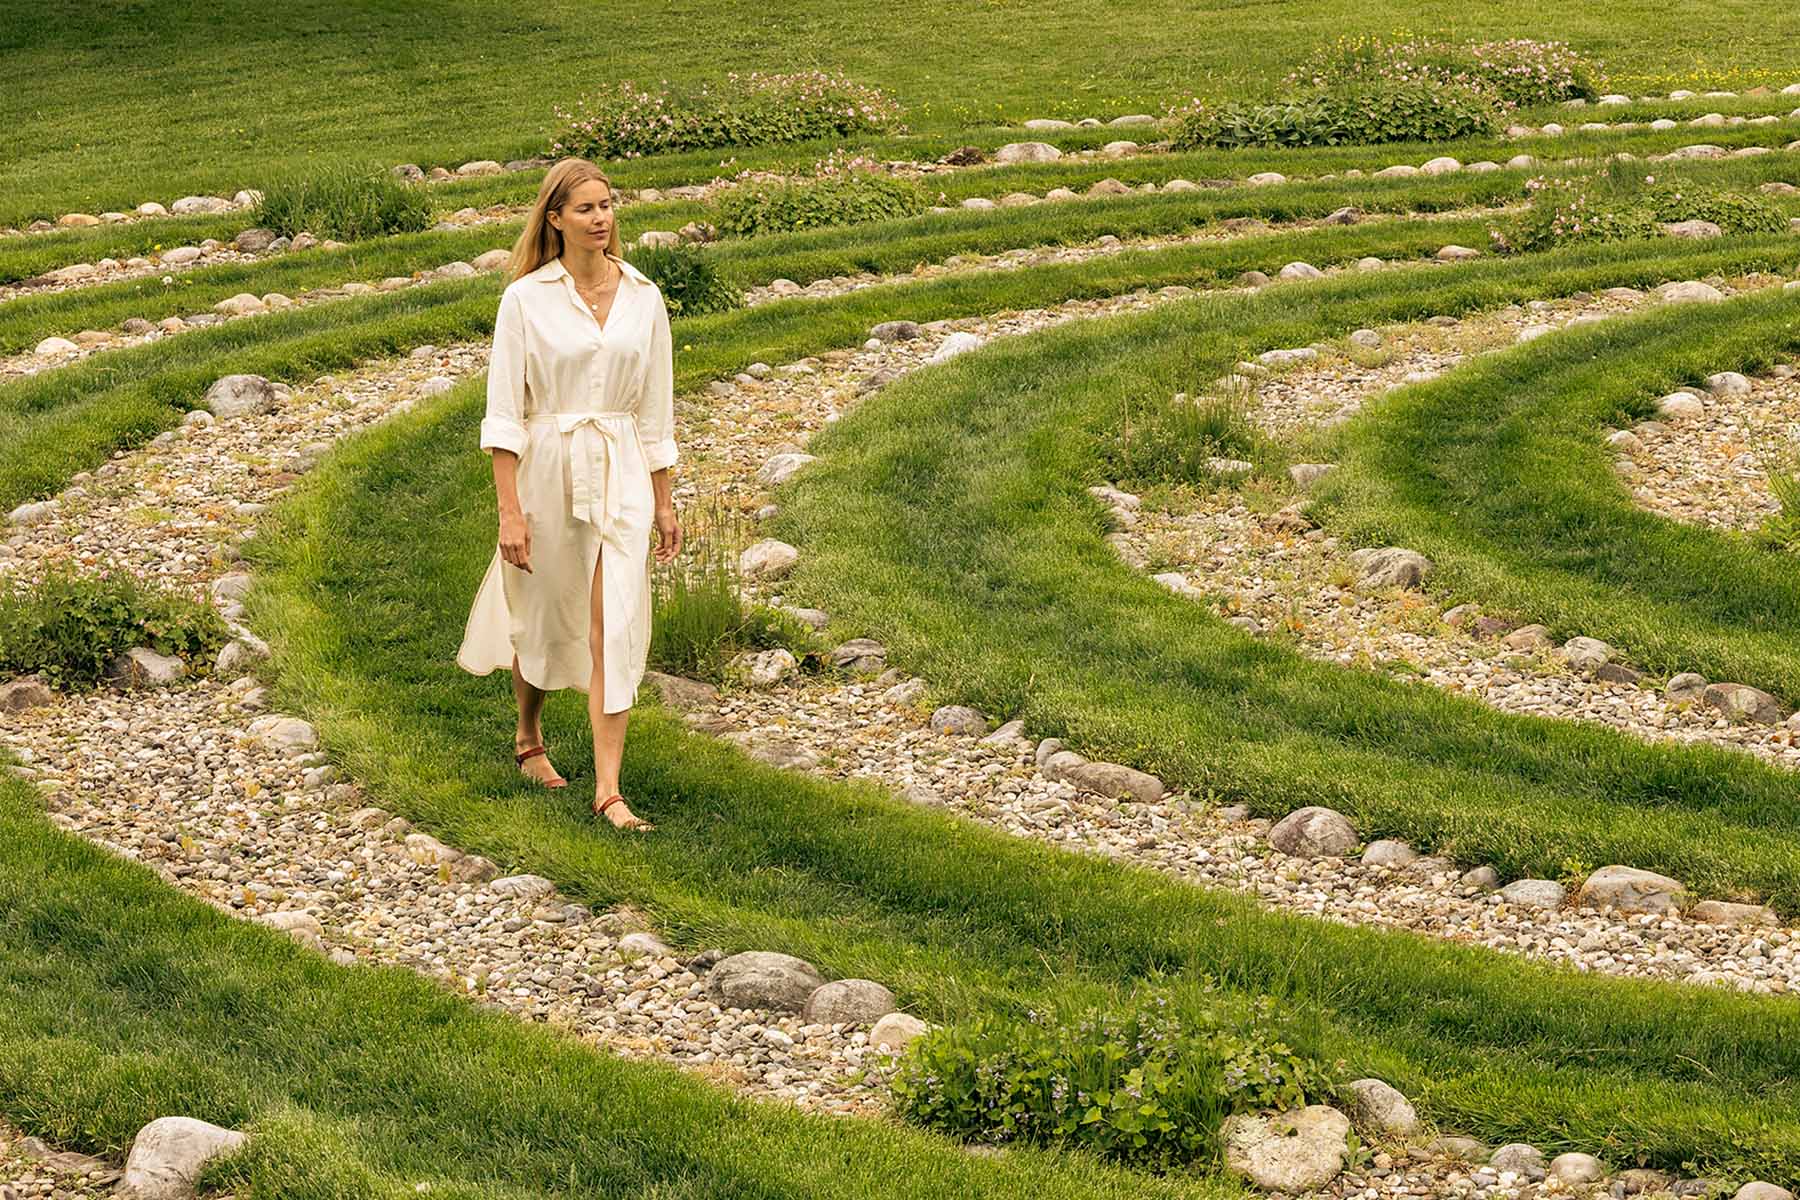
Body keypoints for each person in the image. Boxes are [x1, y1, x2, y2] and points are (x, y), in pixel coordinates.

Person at [457, 157, 681, 832]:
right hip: (548, 467)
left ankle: (609, 788)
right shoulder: (525, 300)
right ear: (555, 219)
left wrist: (664, 500)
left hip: (621, 471)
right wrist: (510, 512)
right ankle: (529, 734)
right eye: (585, 208)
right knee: (543, 609)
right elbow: (503, 413)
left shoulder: (644, 297)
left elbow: (656, 412)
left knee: (614, 618)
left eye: (607, 205)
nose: (601, 218)